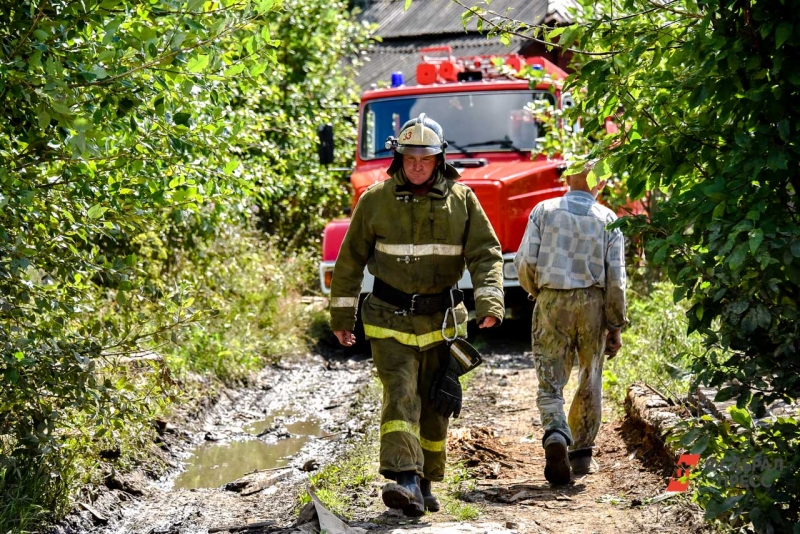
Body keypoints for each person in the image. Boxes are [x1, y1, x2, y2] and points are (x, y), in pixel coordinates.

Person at [329, 113, 504, 516]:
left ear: (440, 159)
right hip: (388, 319)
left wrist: (490, 304)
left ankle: (424, 482)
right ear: (398, 159)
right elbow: (350, 261)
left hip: (443, 324)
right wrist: (342, 318)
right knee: (400, 395)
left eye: (425, 158)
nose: (417, 165)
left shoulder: (463, 201)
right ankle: (403, 476)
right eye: (409, 158)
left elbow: (485, 253)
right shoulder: (375, 200)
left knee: (436, 403)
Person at [513, 161, 628, 485]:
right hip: (592, 303)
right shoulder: (608, 220)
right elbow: (616, 280)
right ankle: (582, 452)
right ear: (599, 185)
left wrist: (539, 291)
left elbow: (525, 262)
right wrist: (615, 324)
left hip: (552, 298)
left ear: (568, 180)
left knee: (550, 380)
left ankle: (555, 432)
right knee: (589, 377)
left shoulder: (543, 211)